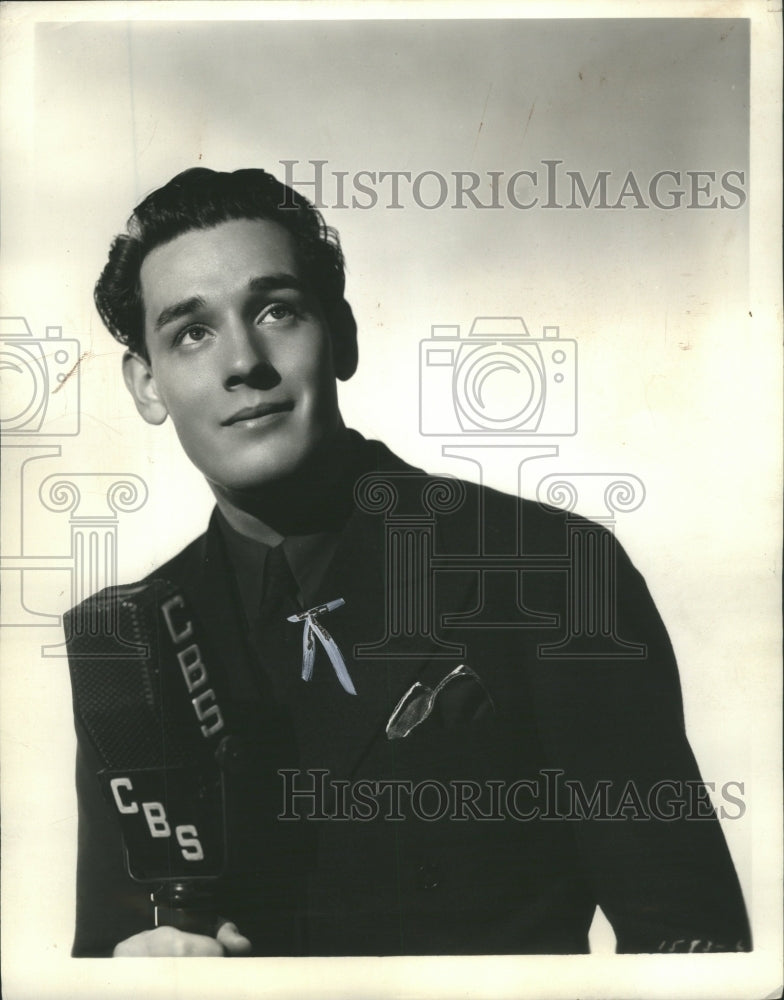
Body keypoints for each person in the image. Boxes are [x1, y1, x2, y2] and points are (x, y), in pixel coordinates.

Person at [65, 167, 751, 958]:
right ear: (148, 385)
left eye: (276, 311)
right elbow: (110, 940)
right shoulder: (131, 637)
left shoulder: (546, 572)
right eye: (192, 332)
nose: (243, 361)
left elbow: (690, 946)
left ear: (344, 335)